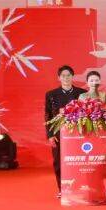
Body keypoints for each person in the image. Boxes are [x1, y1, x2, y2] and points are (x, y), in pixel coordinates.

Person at [44, 65, 86, 194]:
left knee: (78, 161)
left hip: (78, 134)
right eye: (63, 76)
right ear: (59, 78)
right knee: (58, 161)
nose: (66, 78)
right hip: (58, 133)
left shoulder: (82, 93)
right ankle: (62, 189)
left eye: (68, 75)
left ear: (72, 77)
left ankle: (79, 187)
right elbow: (47, 115)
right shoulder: (51, 94)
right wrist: (50, 135)